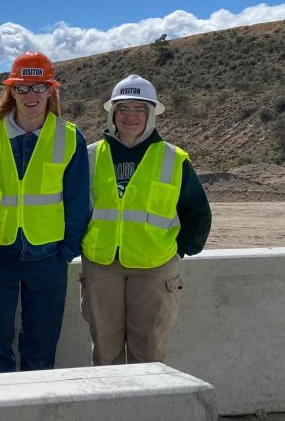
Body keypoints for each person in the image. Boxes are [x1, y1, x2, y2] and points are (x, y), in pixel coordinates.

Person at [80, 74, 211, 365]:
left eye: (140, 109)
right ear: (112, 113)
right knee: (105, 349)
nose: (131, 116)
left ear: (152, 114)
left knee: (149, 351)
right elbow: (76, 209)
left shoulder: (173, 158)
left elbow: (198, 213)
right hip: (102, 266)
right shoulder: (89, 156)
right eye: (123, 108)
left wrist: (178, 251)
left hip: (154, 268)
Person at [0, 51, 89, 373]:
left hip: (47, 255)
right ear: (11, 91)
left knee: (41, 342)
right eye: (22, 88)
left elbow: (78, 199)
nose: (30, 95)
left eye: (39, 87)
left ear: (52, 90)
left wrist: (67, 250)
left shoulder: (68, 136)